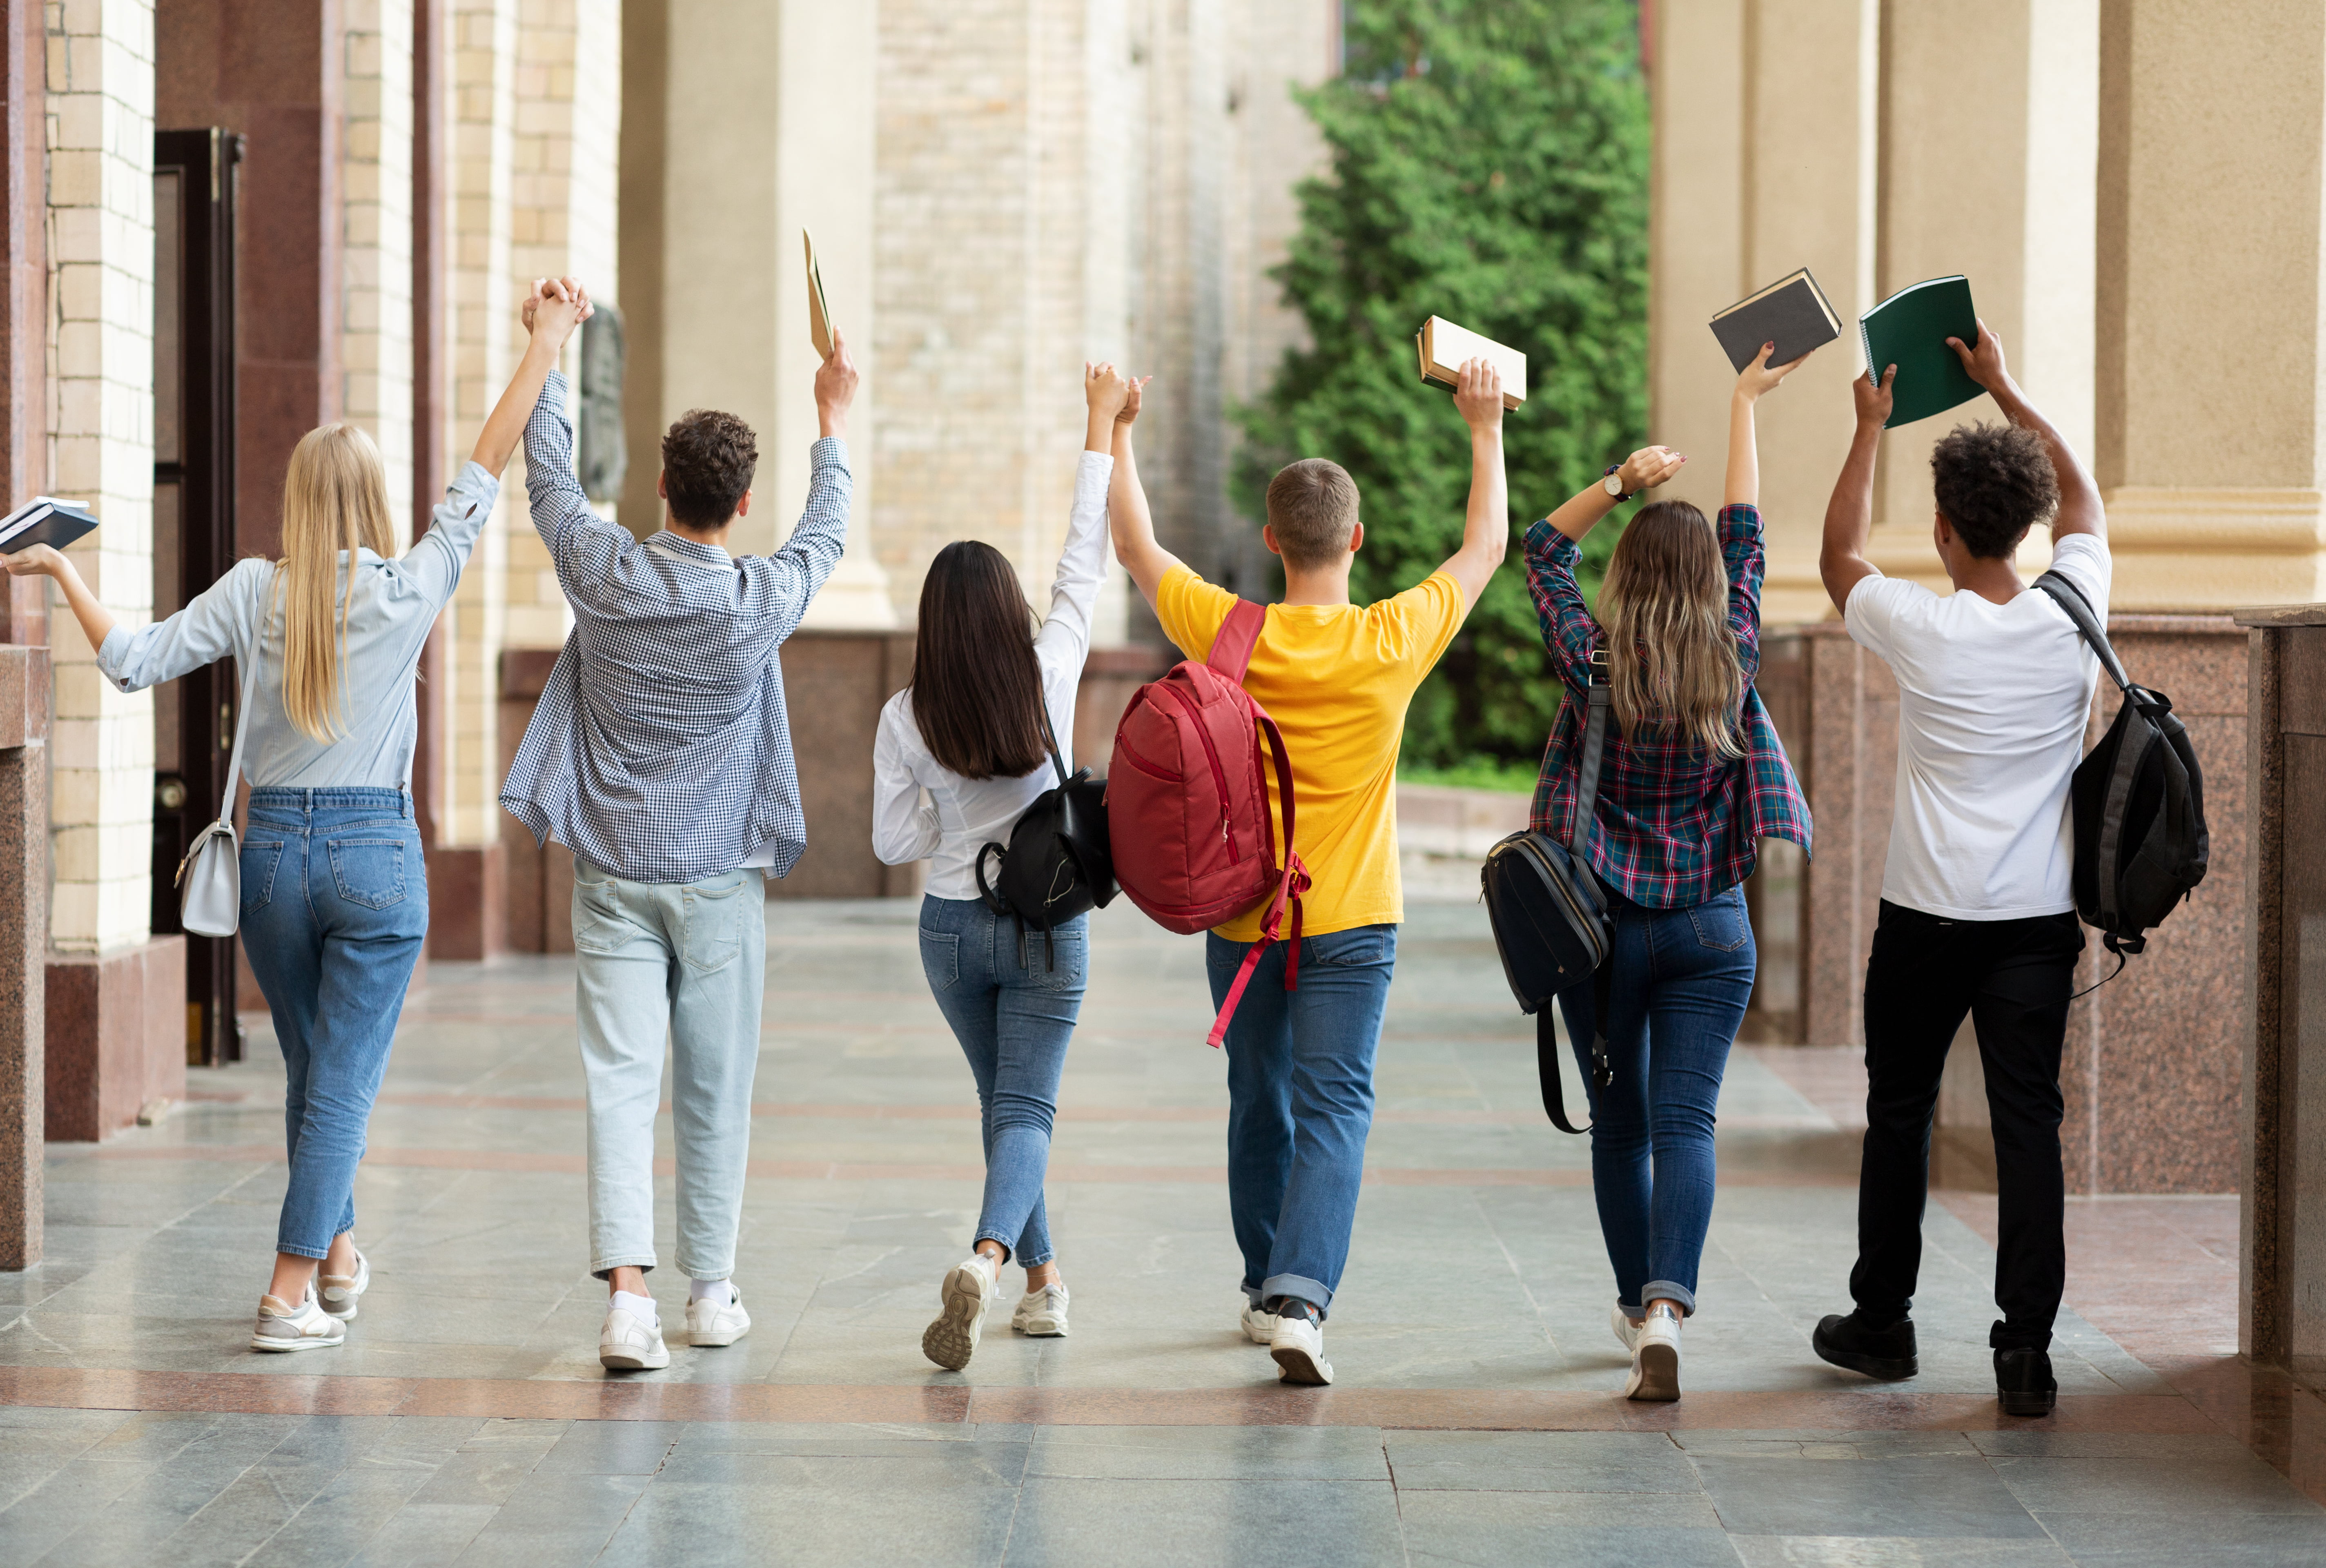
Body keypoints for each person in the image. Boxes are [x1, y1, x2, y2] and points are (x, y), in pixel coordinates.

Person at [3, 287, 585, 1352]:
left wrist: (62, 571)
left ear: (297, 500)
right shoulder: (411, 585)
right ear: (368, 503)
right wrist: (546, 343)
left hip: (270, 860)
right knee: (343, 1081)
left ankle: (342, 1258)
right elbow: (486, 463)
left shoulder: (250, 591)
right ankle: (286, 1291)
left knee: (317, 1068)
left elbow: (131, 662)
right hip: (374, 860)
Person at [1106, 359, 1510, 1387]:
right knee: (1336, 1108)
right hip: (1355, 922)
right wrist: (1482, 426)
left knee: (1259, 1097)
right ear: (1357, 540)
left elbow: (1136, 547)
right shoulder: (1392, 637)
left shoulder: (1230, 630)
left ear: (1273, 541)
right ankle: (1300, 1299)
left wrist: (1111, 428)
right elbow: (1485, 547)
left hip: (1244, 921)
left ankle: (1261, 1284)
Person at [499, 278, 860, 1372]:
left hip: (613, 871)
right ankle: (711, 1295)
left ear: (660, 487)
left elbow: (548, 479)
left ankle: (627, 1305)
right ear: (741, 506)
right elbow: (828, 535)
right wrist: (832, 420)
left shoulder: (602, 569)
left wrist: (550, 350)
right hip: (718, 882)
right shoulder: (760, 598)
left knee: (620, 1084)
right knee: (717, 1086)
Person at [1809, 322, 2105, 1419]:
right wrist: (2006, 388)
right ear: (2028, 528)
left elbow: (1839, 558)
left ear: (1941, 532)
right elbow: (2087, 502)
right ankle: (2025, 1351)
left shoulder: (1921, 626)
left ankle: (1881, 1324)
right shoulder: (2077, 607)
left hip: (1925, 920)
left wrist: (1868, 429)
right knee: (2031, 1125)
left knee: (1901, 1111)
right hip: (2035, 924)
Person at [1524, 345, 1815, 1401]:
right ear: (1707, 585)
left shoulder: (1591, 658)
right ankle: (1666, 1310)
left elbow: (1540, 554)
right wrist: (1744, 403)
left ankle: (1627, 1300)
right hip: (1710, 929)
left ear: (1632, 577)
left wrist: (1621, 482)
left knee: (1624, 1126)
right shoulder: (1732, 647)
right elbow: (1748, 533)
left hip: (1601, 929)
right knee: (1689, 1125)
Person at [872, 363, 1130, 1370]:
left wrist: (944, 811)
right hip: (1045, 921)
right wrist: (1097, 425)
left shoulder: (905, 714)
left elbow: (896, 844)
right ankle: (988, 1261)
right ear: (1007, 611)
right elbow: (1083, 563)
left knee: (1005, 1105)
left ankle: (1044, 1284)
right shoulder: (1050, 670)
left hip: (948, 932)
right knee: (1025, 1107)